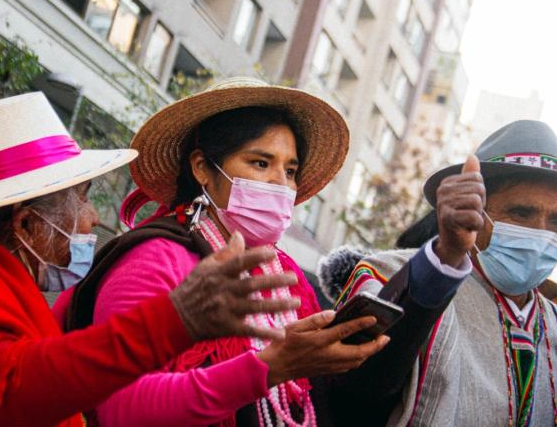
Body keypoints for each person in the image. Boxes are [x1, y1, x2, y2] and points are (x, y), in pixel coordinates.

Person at [55, 77, 465, 427]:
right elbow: (120, 408)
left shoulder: (285, 276)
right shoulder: (154, 258)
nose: (280, 184)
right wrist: (271, 366)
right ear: (202, 168)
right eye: (259, 162)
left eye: (289, 170)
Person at [0, 92, 304, 427]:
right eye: (81, 199)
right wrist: (174, 320)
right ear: (27, 225)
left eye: (290, 170)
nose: (94, 216)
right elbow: (15, 389)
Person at [331, 120, 557, 426]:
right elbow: (353, 386)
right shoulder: (387, 273)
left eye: (555, 220)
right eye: (521, 213)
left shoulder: (552, 320)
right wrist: (445, 258)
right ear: (476, 210)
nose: (540, 232)